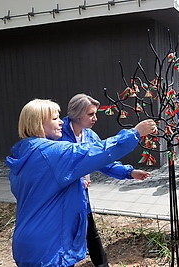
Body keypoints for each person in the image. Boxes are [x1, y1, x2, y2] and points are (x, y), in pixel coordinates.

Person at [5, 99, 155, 267]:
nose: (60, 121)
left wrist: (127, 172)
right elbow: (97, 152)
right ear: (38, 123)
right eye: (55, 118)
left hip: (28, 242)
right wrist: (134, 133)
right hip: (49, 247)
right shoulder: (52, 152)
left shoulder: (24, 153)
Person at [58, 93, 151, 266]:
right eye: (91, 114)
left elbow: (105, 160)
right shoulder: (59, 136)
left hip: (81, 196)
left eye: (95, 113)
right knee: (65, 237)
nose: (95, 118)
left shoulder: (90, 135)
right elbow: (61, 169)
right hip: (64, 198)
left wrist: (129, 172)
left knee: (91, 233)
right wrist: (77, 180)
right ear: (77, 114)